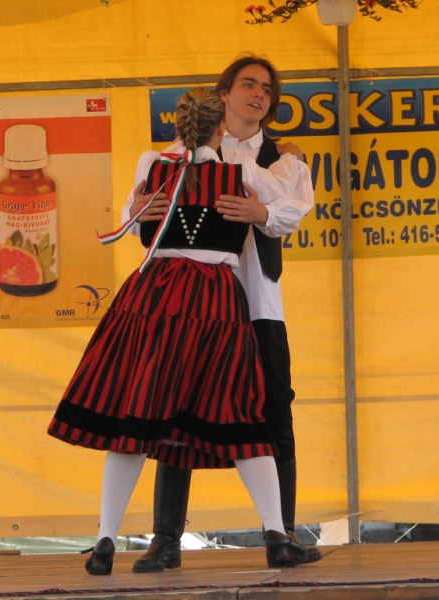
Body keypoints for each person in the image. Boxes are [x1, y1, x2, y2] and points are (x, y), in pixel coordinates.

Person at [48, 87, 317, 575]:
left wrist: (138, 206)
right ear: (221, 127)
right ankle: (277, 535)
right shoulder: (241, 172)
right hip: (214, 298)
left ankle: (105, 541)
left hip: (155, 296)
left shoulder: (153, 166)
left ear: (179, 126)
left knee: (136, 415)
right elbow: (292, 198)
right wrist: (292, 162)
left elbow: (135, 223)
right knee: (242, 411)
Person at [130, 54, 319, 574]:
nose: (259, 94)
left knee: (275, 409)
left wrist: (261, 212)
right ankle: (165, 540)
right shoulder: (177, 156)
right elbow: (136, 213)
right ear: (224, 93)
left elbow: (295, 209)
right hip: (192, 305)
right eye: (249, 84)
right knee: (176, 411)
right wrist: (142, 210)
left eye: (267, 89)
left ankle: (281, 535)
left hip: (257, 302)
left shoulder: (281, 158)